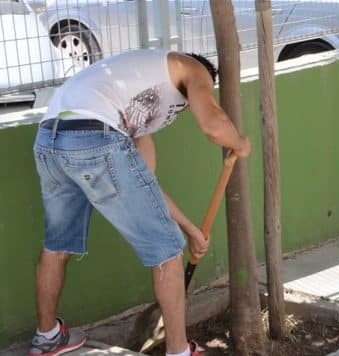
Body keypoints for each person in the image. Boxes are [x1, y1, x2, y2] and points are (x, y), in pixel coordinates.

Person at [29, 50, 251, 356]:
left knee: (57, 244)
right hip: (95, 135)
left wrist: (190, 229)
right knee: (166, 249)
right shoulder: (191, 68)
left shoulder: (133, 103)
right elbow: (214, 125)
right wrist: (240, 142)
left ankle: (48, 337)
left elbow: (146, 186)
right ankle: (178, 350)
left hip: (50, 139)